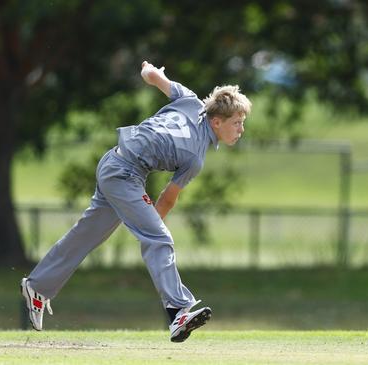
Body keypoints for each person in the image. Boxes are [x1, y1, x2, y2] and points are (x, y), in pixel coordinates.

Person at [20, 61, 251, 342]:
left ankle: (38, 287)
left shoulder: (190, 99)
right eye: (237, 123)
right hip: (124, 174)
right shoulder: (195, 159)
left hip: (114, 162)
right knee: (160, 239)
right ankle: (178, 311)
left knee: (86, 234)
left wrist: (148, 70)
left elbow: (153, 76)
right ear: (217, 122)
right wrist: (150, 226)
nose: (241, 130)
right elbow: (166, 200)